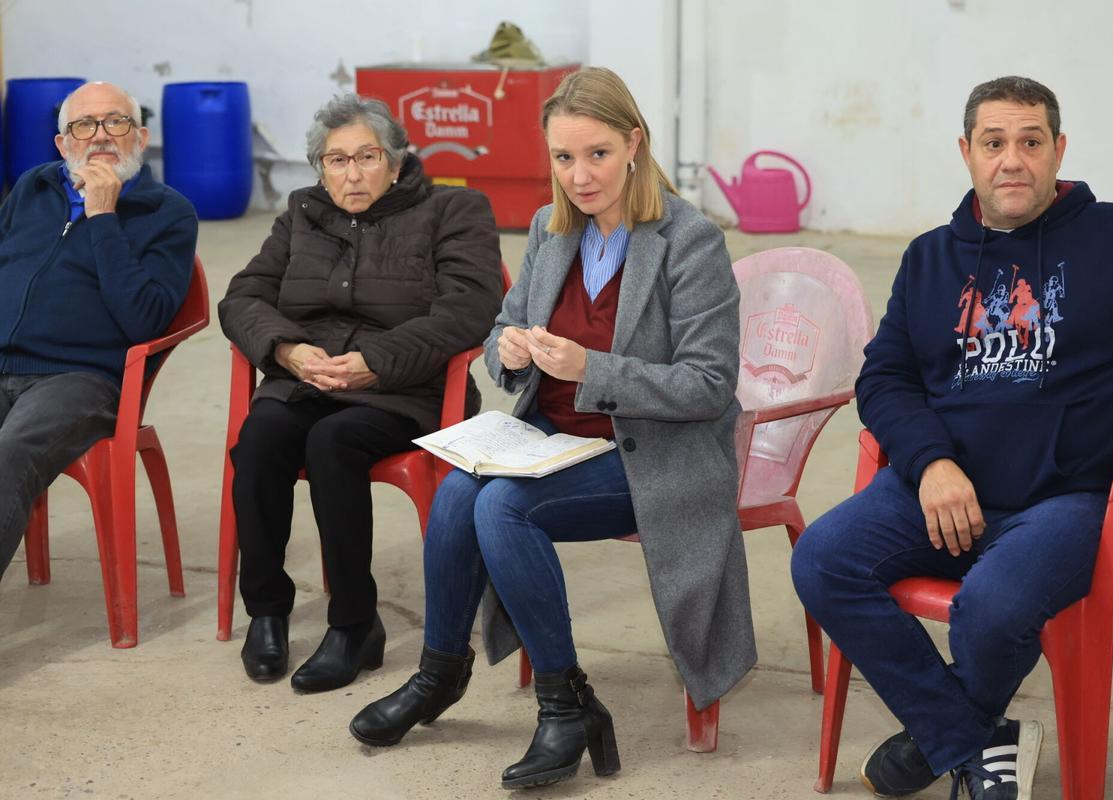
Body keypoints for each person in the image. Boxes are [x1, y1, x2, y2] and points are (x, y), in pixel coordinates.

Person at [791, 76, 1113, 800]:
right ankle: (973, 739)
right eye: (994, 142)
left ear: (1059, 150)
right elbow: (884, 378)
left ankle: (941, 738)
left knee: (992, 605)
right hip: (948, 492)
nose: (1013, 160)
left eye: (1031, 141)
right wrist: (931, 464)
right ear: (967, 153)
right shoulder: (929, 257)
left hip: (1083, 501)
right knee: (823, 560)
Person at [348, 67, 755, 789]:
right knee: (457, 493)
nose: (579, 176)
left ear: (634, 144)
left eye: (597, 154)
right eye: (563, 158)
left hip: (652, 456)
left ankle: (564, 706)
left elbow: (708, 383)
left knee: (503, 507)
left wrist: (592, 367)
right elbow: (502, 330)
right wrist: (505, 351)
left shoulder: (690, 241)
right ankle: (441, 673)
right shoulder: (550, 228)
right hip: (552, 441)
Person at [218, 94, 503, 692]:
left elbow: (470, 308)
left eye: (367, 157)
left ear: (395, 162)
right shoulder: (302, 214)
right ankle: (266, 612)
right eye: (336, 160)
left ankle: (353, 623)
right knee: (260, 437)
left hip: (406, 389)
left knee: (334, 442)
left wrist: (376, 363)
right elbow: (243, 297)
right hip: (309, 380)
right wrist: (287, 351)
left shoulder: (454, 209)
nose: (351, 174)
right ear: (320, 169)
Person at [0, 81, 197, 582]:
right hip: (4, 361)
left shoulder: (167, 212)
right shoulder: (32, 188)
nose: (101, 135)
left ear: (141, 137)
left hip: (79, 379)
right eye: (84, 125)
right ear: (63, 143)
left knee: (9, 454)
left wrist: (103, 217)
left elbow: (145, 318)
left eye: (116, 121)